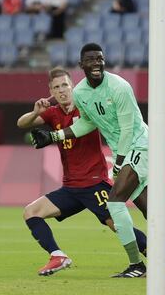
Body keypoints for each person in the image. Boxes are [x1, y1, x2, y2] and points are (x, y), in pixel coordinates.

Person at [30, 43, 165, 278]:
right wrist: (54, 136)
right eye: (91, 60)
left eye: (100, 59)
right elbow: (87, 123)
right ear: (81, 65)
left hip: (140, 144)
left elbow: (128, 128)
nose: (96, 63)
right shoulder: (80, 93)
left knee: (115, 201)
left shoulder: (119, 86)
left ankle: (136, 264)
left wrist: (118, 164)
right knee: (155, 213)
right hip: (125, 151)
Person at [17, 67, 147, 276]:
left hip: (94, 183)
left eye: (65, 85)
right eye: (56, 87)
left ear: (72, 86)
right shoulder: (52, 113)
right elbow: (21, 123)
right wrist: (35, 113)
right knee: (31, 212)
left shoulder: (86, 105)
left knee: (118, 225)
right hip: (71, 188)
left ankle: (155, 258)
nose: (62, 91)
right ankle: (58, 255)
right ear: (51, 90)